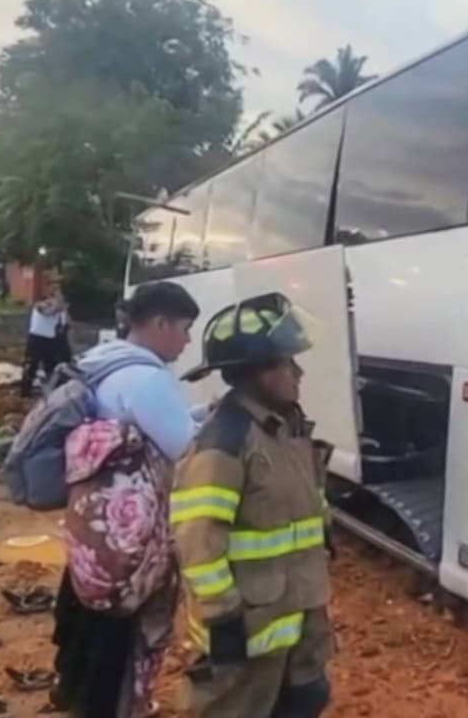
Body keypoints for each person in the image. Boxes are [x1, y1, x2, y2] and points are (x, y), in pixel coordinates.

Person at [171, 293, 335, 718]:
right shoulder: (223, 444)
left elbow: (306, 514)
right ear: (255, 373)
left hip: (297, 626)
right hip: (247, 638)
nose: (298, 372)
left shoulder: (286, 429)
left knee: (306, 700)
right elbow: (197, 545)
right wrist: (222, 623)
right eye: (286, 362)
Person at [49, 281, 207, 718]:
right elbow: (184, 449)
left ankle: (76, 696)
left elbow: (148, 422)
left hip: (93, 524)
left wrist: (199, 413)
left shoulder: (104, 362)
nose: (187, 340)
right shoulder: (146, 376)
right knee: (117, 638)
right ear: (159, 323)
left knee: (89, 621)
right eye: (184, 328)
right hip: (126, 542)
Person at [21, 286, 69, 397]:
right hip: (36, 338)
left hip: (50, 340)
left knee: (51, 367)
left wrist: (64, 313)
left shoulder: (60, 310)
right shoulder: (40, 305)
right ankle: (25, 391)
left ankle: (50, 390)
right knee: (31, 365)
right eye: (57, 297)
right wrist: (59, 307)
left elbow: (63, 325)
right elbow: (48, 312)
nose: (59, 300)